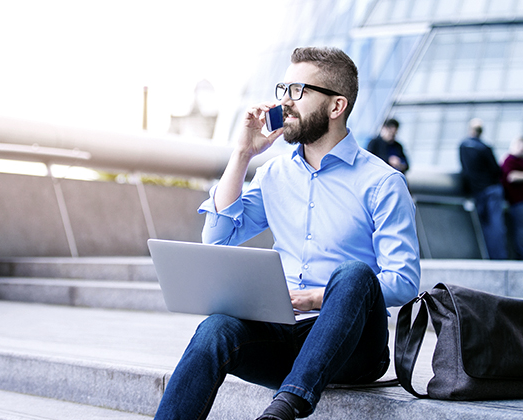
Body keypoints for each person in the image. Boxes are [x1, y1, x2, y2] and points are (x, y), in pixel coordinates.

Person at [153, 46, 421, 420]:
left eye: (298, 91)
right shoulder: (274, 174)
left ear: (336, 106)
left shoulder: (382, 183)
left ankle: (284, 409)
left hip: (354, 347)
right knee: (216, 329)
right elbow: (216, 239)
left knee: (354, 273)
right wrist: (243, 153)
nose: (285, 102)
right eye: (284, 89)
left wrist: (318, 298)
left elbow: (404, 281)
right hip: (284, 335)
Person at [459, 118, 509, 260]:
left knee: (484, 226)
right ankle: (498, 258)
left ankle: (489, 257)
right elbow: (496, 170)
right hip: (491, 190)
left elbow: (465, 169)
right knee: (496, 226)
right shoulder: (484, 147)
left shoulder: (463, 146)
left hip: (477, 191)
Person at [501, 136, 523, 259]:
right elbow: (511, 176)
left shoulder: (520, 160)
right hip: (517, 202)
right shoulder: (510, 160)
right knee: (520, 231)